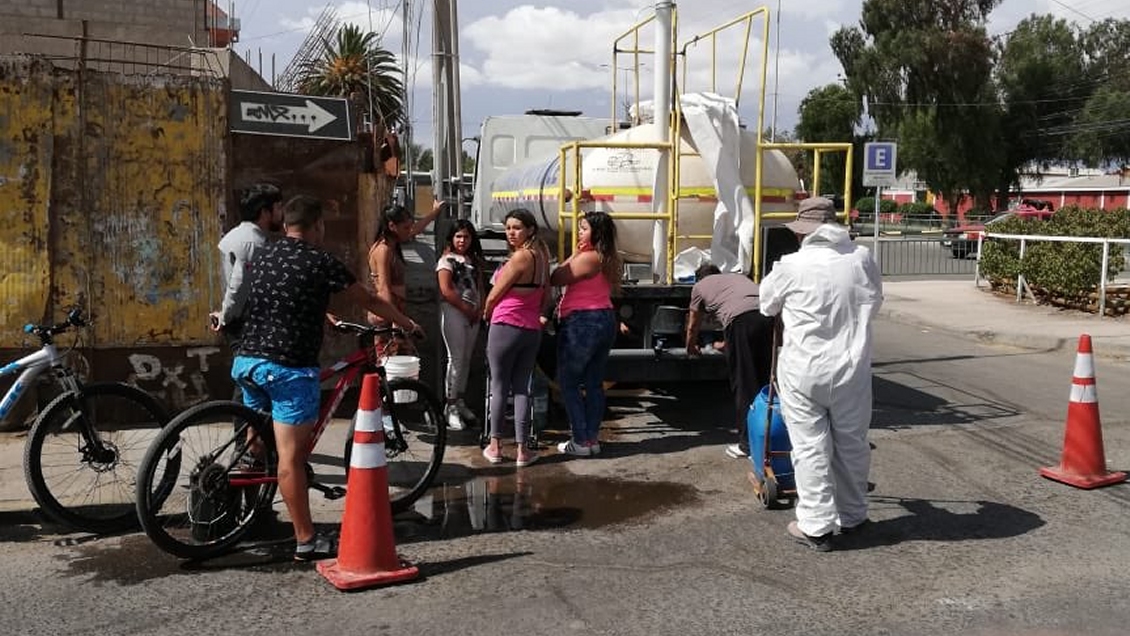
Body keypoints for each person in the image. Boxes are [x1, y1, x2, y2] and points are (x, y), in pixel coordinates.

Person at [233, 194, 423, 561]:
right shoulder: (321, 261)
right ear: (317, 225)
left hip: (246, 361)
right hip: (287, 367)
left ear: (286, 225)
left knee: (260, 444)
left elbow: (281, 295)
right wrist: (407, 324)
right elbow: (369, 300)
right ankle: (306, 540)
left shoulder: (266, 254)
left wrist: (325, 315)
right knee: (291, 456)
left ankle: (250, 512)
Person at [759, 196, 883, 552]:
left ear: (804, 233)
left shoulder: (791, 265)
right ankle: (853, 514)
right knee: (852, 443)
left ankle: (815, 525)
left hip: (804, 370)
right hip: (852, 368)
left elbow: (767, 305)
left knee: (809, 446)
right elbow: (874, 302)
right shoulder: (862, 259)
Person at [482, 208, 551, 467]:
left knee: (499, 386)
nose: (511, 232)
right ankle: (523, 450)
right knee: (522, 388)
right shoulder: (543, 257)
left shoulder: (520, 258)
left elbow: (493, 295)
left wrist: (487, 315)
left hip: (505, 324)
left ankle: (495, 445)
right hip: (530, 328)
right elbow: (547, 296)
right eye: (508, 227)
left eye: (517, 227)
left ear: (530, 230)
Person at [685, 263, 773, 460]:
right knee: (766, 381)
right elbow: (743, 306)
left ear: (700, 278)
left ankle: (747, 446)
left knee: (745, 383)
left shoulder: (699, 287)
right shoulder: (738, 278)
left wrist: (690, 346)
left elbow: (694, 323)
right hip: (769, 318)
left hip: (741, 322)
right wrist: (727, 343)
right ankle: (771, 441)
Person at [550, 211, 620, 457]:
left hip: (582, 322)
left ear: (596, 233)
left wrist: (574, 253)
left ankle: (580, 439)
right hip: (605, 318)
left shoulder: (588, 257)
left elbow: (556, 276)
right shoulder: (609, 258)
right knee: (593, 383)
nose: (579, 232)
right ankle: (591, 439)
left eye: (584, 228)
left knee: (568, 382)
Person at [367, 199, 445, 353]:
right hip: (387, 315)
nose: (409, 231)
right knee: (392, 362)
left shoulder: (392, 244)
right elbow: (384, 289)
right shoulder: (383, 250)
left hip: (394, 312)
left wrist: (434, 213)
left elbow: (414, 229)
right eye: (405, 227)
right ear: (392, 226)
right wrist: (398, 320)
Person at [210, 183, 283, 345]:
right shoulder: (252, 243)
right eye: (278, 208)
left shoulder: (239, 236)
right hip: (247, 328)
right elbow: (239, 285)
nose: (281, 214)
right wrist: (225, 317)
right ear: (265, 212)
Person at [436, 219, 486, 430]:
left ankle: (460, 399)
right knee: (455, 358)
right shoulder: (446, 261)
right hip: (454, 313)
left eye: (466, 236)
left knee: (466, 359)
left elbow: (480, 287)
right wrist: (465, 309)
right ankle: (450, 405)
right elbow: (446, 290)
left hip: (473, 315)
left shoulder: (473, 260)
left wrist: (480, 309)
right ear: (451, 238)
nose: (462, 240)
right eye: (458, 236)